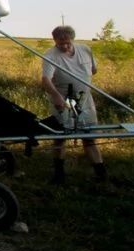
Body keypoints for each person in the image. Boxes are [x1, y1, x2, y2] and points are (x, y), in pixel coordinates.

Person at [41, 25, 106, 184]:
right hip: (63, 100)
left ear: (73, 40)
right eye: (60, 43)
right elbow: (46, 80)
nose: (64, 46)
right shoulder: (50, 55)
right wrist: (56, 96)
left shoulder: (85, 50)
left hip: (85, 100)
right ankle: (59, 174)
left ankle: (101, 173)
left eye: (67, 43)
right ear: (54, 40)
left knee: (89, 136)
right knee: (61, 136)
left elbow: (94, 70)